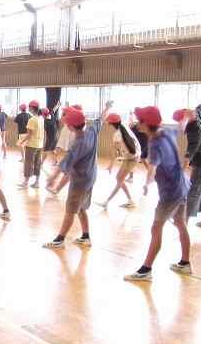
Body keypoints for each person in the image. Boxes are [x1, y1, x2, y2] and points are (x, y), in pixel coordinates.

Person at [124, 106, 191, 281]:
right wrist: (185, 117)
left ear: (147, 124)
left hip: (171, 192)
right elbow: (181, 128)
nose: (138, 123)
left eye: (140, 121)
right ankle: (185, 263)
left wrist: (147, 184)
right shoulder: (166, 132)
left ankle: (146, 270)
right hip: (182, 185)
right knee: (180, 223)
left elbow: (152, 167)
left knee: (156, 227)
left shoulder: (155, 144)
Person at [43, 102, 111, 249]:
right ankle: (86, 237)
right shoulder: (92, 130)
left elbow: (64, 164)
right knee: (81, 208)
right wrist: (107, 107)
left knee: (70, 210)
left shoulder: (78, 144)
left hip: (80, 181)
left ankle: (59, 240)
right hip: (91, 176)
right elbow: (101, 118)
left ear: (70, 127)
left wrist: (52, 178)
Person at [175, 95, 201, 229]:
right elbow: (199, 107)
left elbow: (192, 148)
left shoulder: (194, 129)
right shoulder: (196, 115)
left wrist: (183, 166)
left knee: (193, 190)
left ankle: (184, 223)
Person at [97, 112, 140, 209]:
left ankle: (107, 202)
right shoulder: (124, 126)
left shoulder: (117, 134)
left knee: (119, 179)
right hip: (133, 156)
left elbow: (114, 152)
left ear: (110, 124)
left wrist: (111, 165)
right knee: (119, 179)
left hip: (132, 158)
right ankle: (129, 201)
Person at [19, 102, 44, 189]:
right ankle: (37, 182)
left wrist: (22, 142)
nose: (28, 108)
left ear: (32, 108)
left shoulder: (32, 120)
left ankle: (26, 183)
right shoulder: (41, 118)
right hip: (39, 145)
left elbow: (29, 134)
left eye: (29, 107)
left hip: (32, 145)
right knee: (37, 163)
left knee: (28, 163)